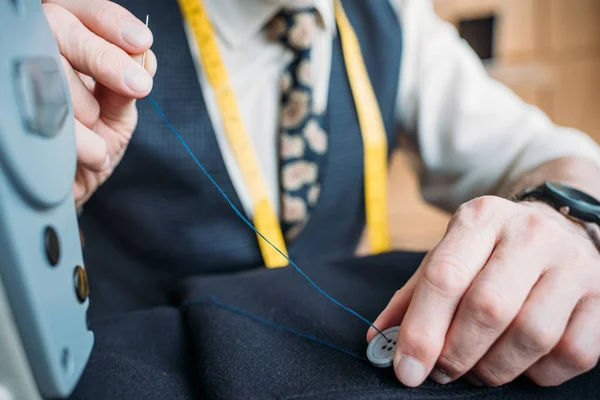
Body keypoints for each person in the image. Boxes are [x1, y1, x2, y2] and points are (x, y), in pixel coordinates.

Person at [42, 0, 600, 391]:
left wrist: (564, 217)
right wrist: (33, 196)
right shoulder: (77, 28)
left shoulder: (392, 18)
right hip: (142, 370)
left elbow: (542, 153)